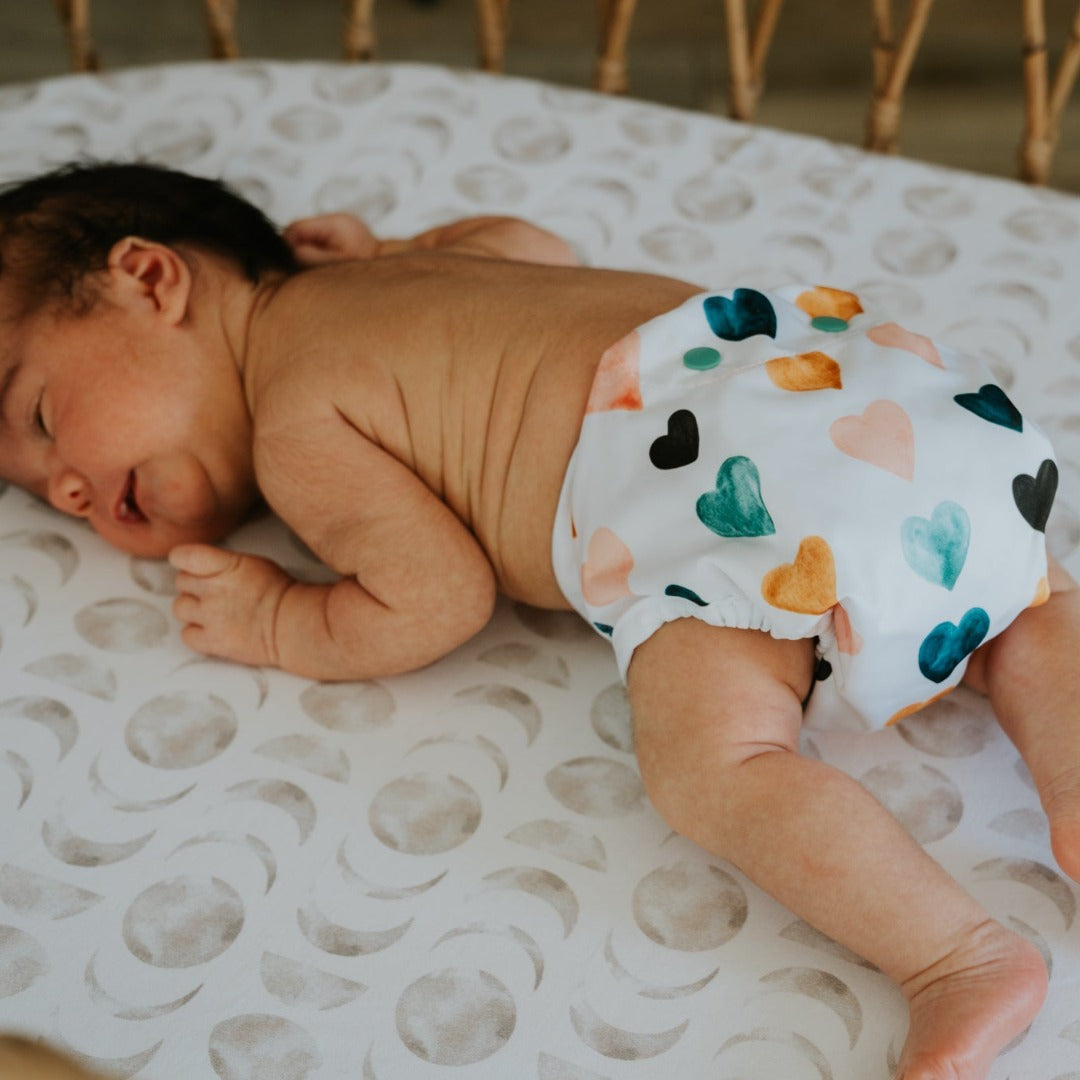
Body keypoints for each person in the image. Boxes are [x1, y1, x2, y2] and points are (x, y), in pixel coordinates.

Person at [0, 160, 1076, 1080]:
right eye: (46, 492)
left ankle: (960, 957)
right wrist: (404, 245)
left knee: (719, 762)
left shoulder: (294, 424)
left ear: (149, 277)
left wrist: (286, 618)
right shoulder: (410, 270)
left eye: (42, 416)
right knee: (1024, 604)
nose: (70, 488)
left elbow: (438, 596)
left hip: (717, 481)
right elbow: (536, 244)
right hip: (871, 393)